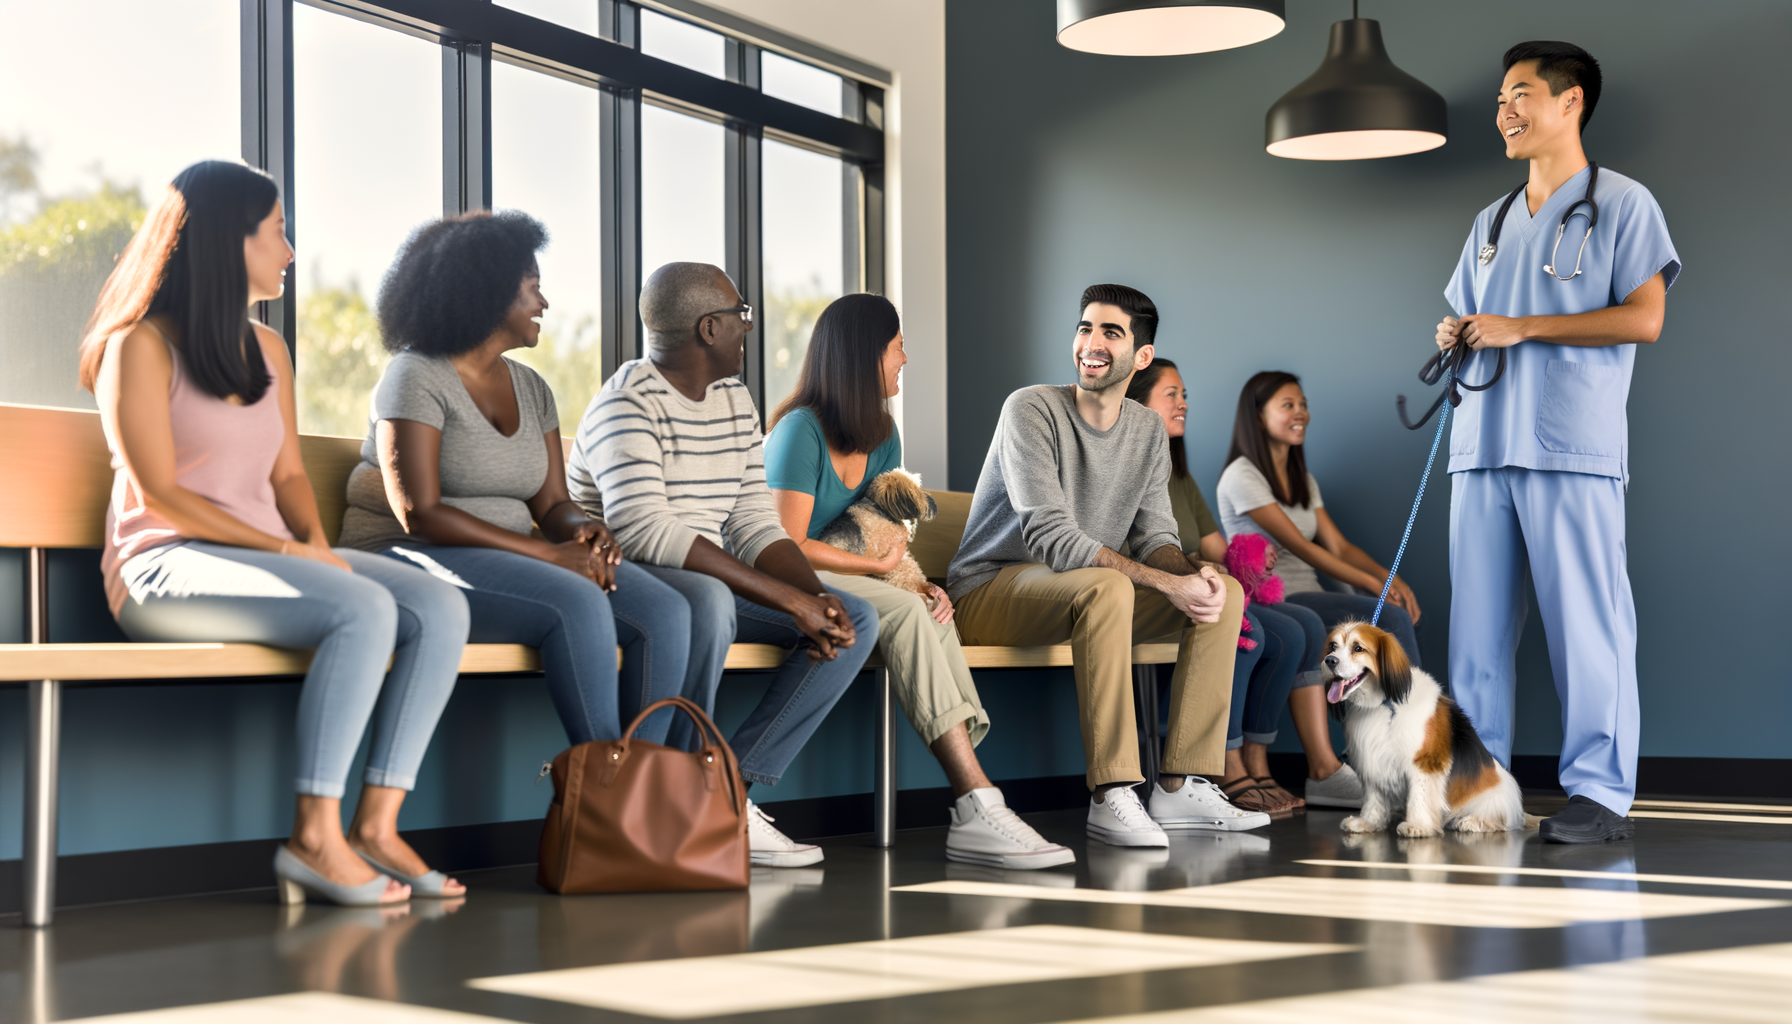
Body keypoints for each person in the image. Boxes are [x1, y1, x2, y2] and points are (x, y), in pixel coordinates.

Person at [79, 160, 470, 907]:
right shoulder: (138, 347)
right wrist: (295, 555)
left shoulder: (268, 350)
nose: (291, 251)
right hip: (163, 565)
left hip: (262, 556)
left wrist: (317, 546)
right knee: (361, 608)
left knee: (439, 606)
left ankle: (377, 826)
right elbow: (160, 493)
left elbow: (289, 475)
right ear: (229, 241)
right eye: (277, 232)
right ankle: (313, 839)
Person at [337, 212, 703, 774]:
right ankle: (602, 796)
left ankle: (636, 793)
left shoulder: (532, 389)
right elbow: (420, 514)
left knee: (666, 611)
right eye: (533, 287)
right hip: (408, 559)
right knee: (576, 599)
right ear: (486, 293)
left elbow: (552, 503)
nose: (544, 303)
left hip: (509, 559)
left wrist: (582, 530)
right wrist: (552, 555)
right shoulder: (414, 375)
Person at [1436, 42, 1677, 843]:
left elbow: (1645, 318)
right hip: (1482, 447)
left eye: (1520, 95)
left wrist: (1521, 327)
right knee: (1473, 640)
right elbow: (1478, 320)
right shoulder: (1491, 221)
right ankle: (1480, 791)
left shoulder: (1624, 204)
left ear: (1570, 103)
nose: (1504, 111)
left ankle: (1602, 794)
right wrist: (1459, 331)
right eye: (1501, 98)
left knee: (1589, 628)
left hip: (1570, 447)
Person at [567, 262, 878, 868]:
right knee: (704, 600)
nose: (748, 328)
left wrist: (816, 597)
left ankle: (723, 790)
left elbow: (753, 523)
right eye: (742, 315)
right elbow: (646, 532)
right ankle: (659, 800)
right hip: (622, 578)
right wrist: (790, 602)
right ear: (709, 328)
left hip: (700, 575)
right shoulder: (627, 403)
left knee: (858, 619)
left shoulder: (734, 400)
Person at [764, 293, 1074, 869]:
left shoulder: (882, 435)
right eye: (898, 345)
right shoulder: (798, 432)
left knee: (930, 610)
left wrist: (919, 582)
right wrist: (881, 574)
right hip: (783, 580)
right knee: (905, 612)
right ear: (865, 354)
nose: (905, 357)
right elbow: (784, 546)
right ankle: (977, 799)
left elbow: (881, 533)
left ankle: (976, 806)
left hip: (849, 577)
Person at [948, 283, 1264, 848]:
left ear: (1140, 356)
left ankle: (1179, 783)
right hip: (991, 589)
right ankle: (1113, 791)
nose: (1091, 343)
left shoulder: (1146, 429)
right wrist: (1163, 580)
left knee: (1226, 597)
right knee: (1107, 588)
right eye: (1084, 328)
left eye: (1110, 332)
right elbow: (1048, 535)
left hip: (1085, 591)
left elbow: (1155, 536)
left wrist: (1191, 576)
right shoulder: (1031, 408)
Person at [1215, 371, 1419, 808]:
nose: (1300, 413)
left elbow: (1338, 545)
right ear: (1258, 415)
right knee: (1391, 617)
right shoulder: (1241, 475)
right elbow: (1300, 546)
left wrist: (1388, 578)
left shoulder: (1301, 477)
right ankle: (1407, 746)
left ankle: (1396, 747)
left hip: (1312, 592)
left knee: (1392, 612)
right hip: (1281, 599)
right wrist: (1373, 588)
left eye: (1302, 404)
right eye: (1287, 404)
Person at [1125, 358, 1310, 813]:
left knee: (1294, 630)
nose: (1183, 403)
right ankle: (1222, 765)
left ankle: (1256, 761)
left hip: (1200, 585)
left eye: (1184, 395)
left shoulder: (1181, 478)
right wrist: (1199, 567)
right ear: (1139, 404)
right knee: (1252, 633)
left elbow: (1218, 549)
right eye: (1172, 394)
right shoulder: (1125, 470)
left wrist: (1245, 557)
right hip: (1155, 591)